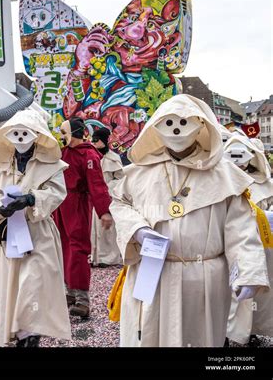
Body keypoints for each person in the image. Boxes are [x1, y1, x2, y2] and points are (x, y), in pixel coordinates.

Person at [110, 94, 269, 347]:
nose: (176, 130)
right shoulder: (139, 173)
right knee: (150, 337)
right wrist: (137, 230)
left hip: (204, 281)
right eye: (169, 122)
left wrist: (248, 271)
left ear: (201, 126)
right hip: (154, 273)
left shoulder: (225, 175)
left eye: (184, 122)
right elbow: (120, 204)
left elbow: (241, 230)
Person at [0, 109, 71, 347]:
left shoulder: (51, 166)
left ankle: (31, 333)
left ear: (37, 135)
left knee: (33, 284)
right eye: (15, 134)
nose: (20, 138)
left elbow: (56, 192)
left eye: (25, 133)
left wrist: (31, 199)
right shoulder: (3, 168)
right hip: (9, 235)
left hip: (37, 234)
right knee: (12, 285)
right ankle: (20, 332)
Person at [53, 117, 113, 318]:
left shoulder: (89, 154)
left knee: (78, 247)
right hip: (61, 204)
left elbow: (96, 183)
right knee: (62, 245)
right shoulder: (64, 152)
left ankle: (82, 298)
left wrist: (103, 210)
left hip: (77, 204)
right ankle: (69, 291)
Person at [225, 135, 273, 346]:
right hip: (228, 248)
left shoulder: (265, 184)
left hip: (261, 248)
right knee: (230, 294)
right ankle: (227, 333)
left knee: (255, 296)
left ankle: (251, 330)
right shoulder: (219, 181)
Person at [90, 127, 124, 268]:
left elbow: (120, 179)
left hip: (108, 198)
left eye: (96, 139)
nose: (93, 142)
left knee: (107, 229)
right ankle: (95, 256)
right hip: (93, 198)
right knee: (93, 228)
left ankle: (109, 257)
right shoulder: (91, 156)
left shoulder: (113, 159)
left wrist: (108, 188)